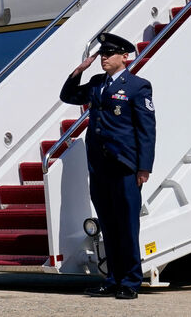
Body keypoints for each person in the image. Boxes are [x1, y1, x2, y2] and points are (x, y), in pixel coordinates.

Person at [59, 32, 157, 300]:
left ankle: (131, 281)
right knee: (109, 226)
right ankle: (113, 279)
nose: (104, 58)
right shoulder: (96, 83)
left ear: (124, 57)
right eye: (102, 54)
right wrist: (79, 70)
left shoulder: (138, 86)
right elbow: (68, 96)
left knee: (127, 226)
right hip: (100, 166)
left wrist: (143, 167)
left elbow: (146, 129)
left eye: (109, 54)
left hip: (125, 165)